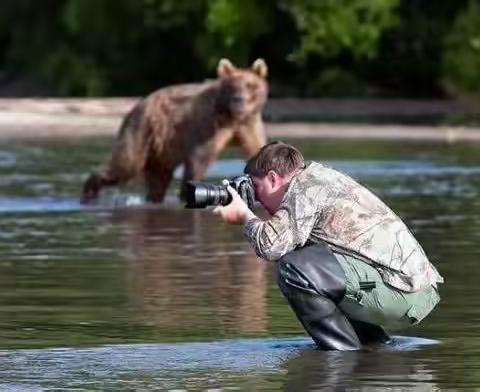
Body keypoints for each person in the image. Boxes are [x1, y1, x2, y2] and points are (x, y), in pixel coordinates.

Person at [213, 141, 444, 350]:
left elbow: (270, 246)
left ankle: (341, 356)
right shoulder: (317, 178)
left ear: (273, 178)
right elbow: (284, 241)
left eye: (256, 188)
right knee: (312, 265)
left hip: (402, 291)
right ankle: (374, 348)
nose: (257, 199)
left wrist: (244, 216)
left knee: (294, 268)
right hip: (409, 291)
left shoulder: (305, 189)